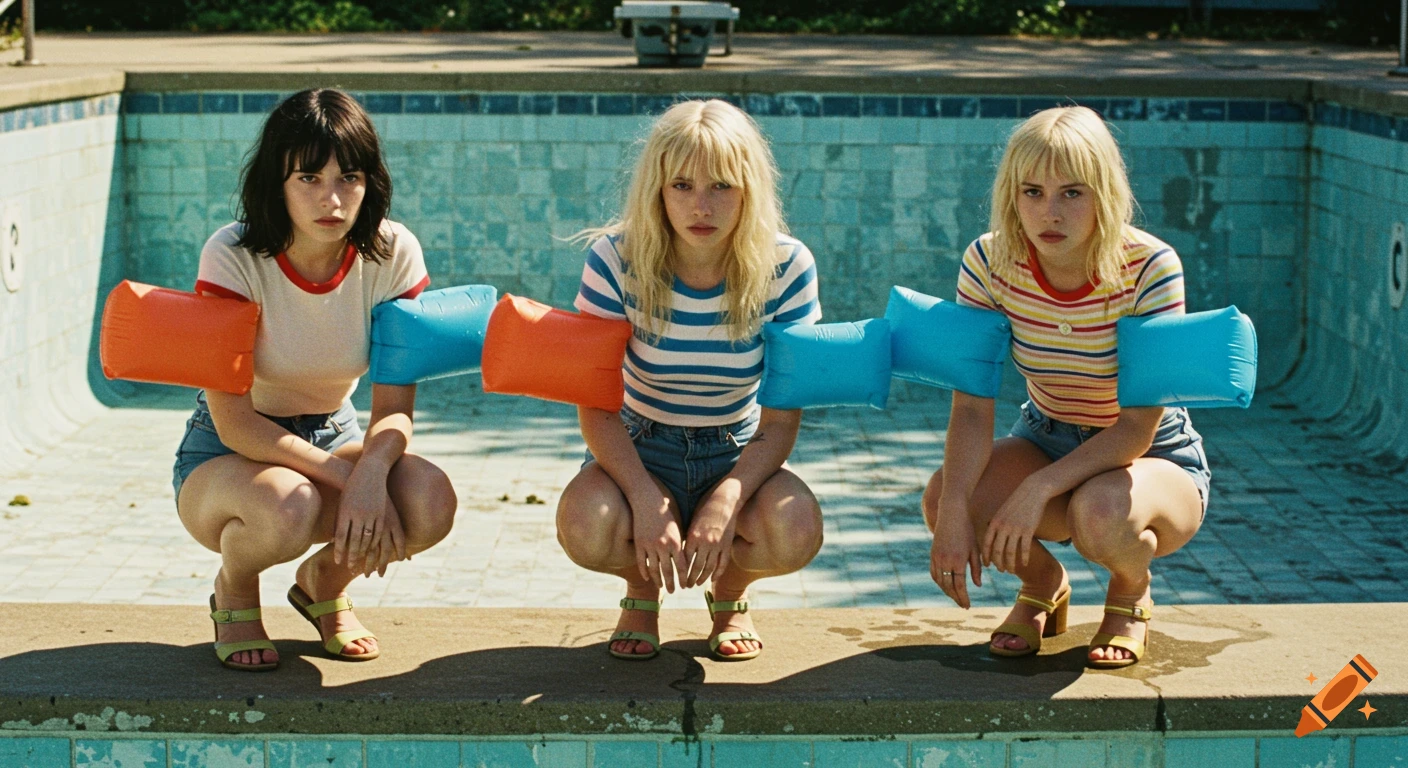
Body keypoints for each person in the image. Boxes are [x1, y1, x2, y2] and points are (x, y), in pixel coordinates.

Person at [174, 88, 456, 671]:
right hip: (228, 449)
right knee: (288, 504)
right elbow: (233, 418)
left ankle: (323, 584)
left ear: (368, 181)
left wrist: (372, 472)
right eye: (308, 178)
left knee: (429, 500)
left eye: (348, 177)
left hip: (334, 430)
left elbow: (395, 410)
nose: (331, 199)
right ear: (276, 182)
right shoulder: (232, 255)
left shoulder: (393, 251)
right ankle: (235, 588)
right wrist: (347, 481)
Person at [924, 106, 1211, 668]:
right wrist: (955, 509)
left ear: (1104, 191)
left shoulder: (1149, 266)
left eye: (1072, 193)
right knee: (944, 495)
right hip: (1046, 434)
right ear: (1011, 193)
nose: (1048, 213)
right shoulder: (988, 260)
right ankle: (1042, 584)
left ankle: (1129, 593)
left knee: (1098, 513)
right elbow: (973, 409)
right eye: (1032, 192)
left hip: (1152, 455)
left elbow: (1137, 426)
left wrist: (1037, 490)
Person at [556, 99, 824, 662]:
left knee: (797, 530)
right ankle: (642, 589)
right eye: (682, 185)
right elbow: (595, 404)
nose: (701, 206)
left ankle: (729, 594)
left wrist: (727, 498)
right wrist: (645, 496)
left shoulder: (786, 266)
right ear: (657, 188)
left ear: (749, 188)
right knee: (583, 525)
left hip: (735, 446)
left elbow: (781, 420)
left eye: (722, 186)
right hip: (638, 440)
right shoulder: (616, 259)